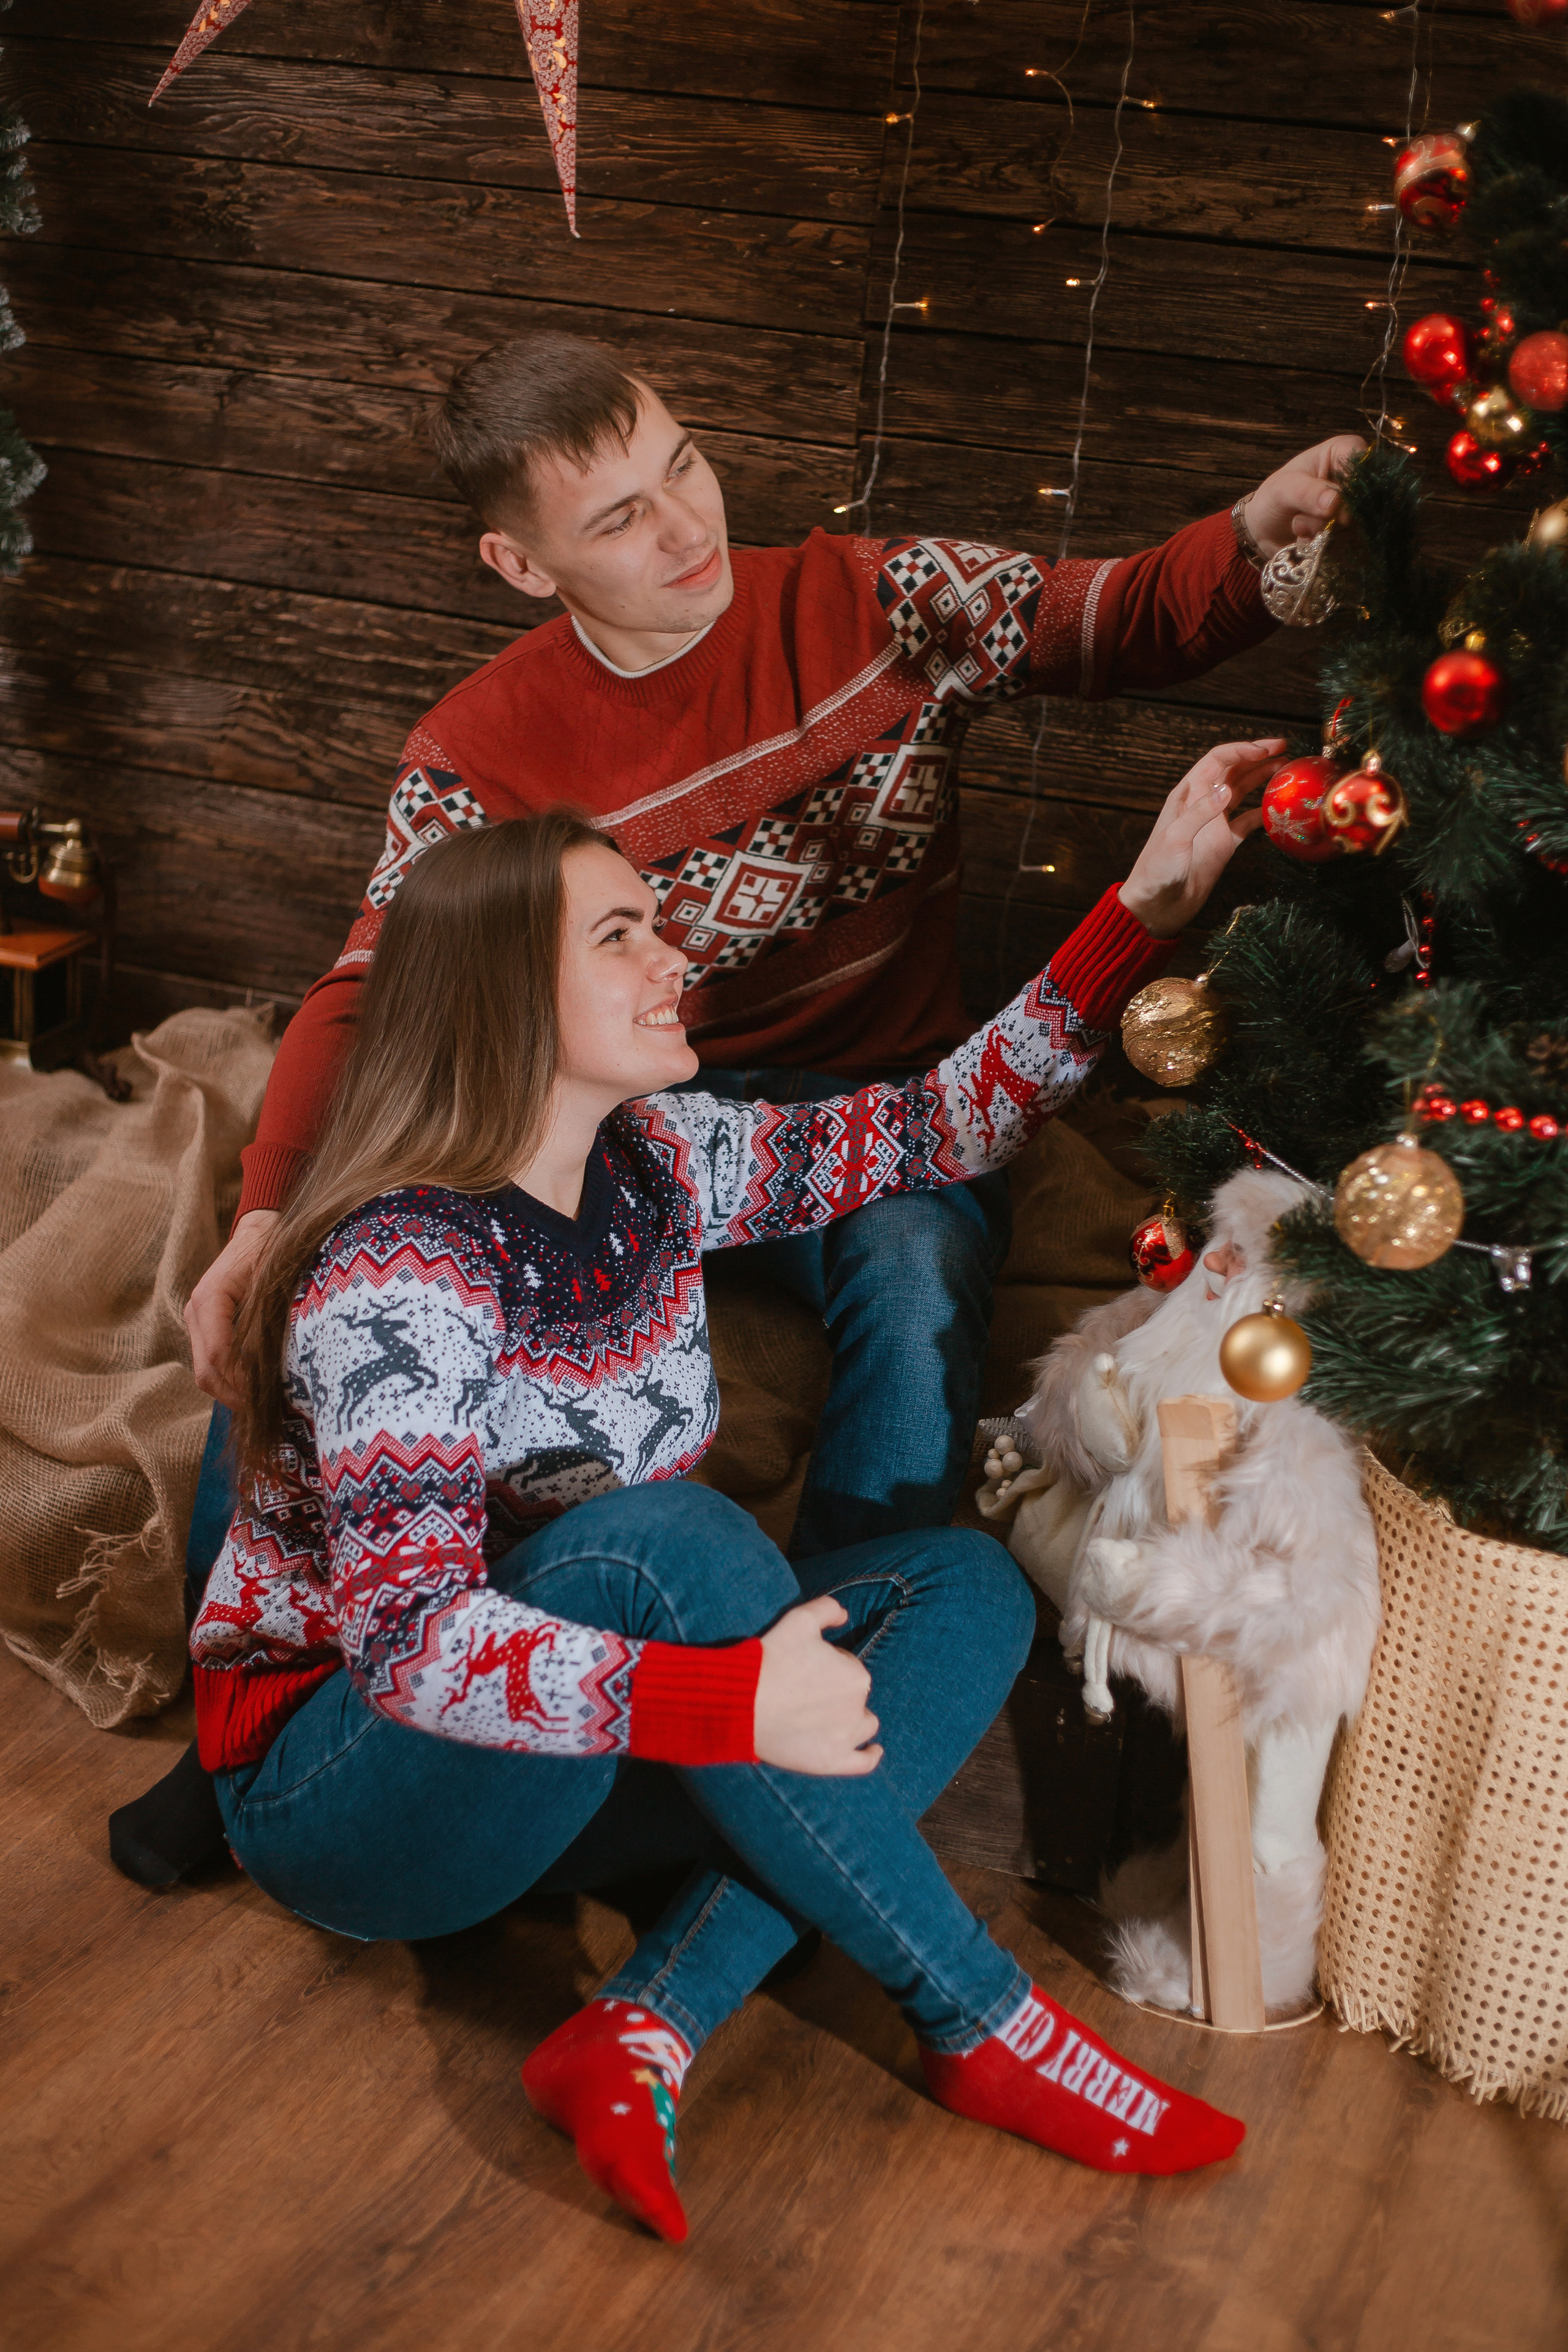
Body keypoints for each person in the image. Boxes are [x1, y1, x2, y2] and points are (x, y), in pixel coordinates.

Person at [198, 743, 1275, 2240]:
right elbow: (406, 1646)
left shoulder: (659, 1160)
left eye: (659, 922)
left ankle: (648, 2023)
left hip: (561, 1743)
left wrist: (1137, 915)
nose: (675, 957)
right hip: (353, 1790)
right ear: (505, 992)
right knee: (669, 1542)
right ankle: (982, 2020)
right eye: (620, 935)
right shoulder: (404, 1272)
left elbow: (929, 1131)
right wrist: (726, 1709)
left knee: (956, 1579)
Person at [184, 328, 1362, 1560]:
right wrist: (269, 1214)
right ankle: (257, 1684)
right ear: (520, 563)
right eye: (620, 519)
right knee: (326, 1267)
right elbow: (369, 989)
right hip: (623, 1122)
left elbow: (1105, 619)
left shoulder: (874, 598)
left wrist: (1249, 527)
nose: (689, 530)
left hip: (881, 1099)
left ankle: (861, 1625)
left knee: (919, 1266)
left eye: (685, 467)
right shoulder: (478, 752)